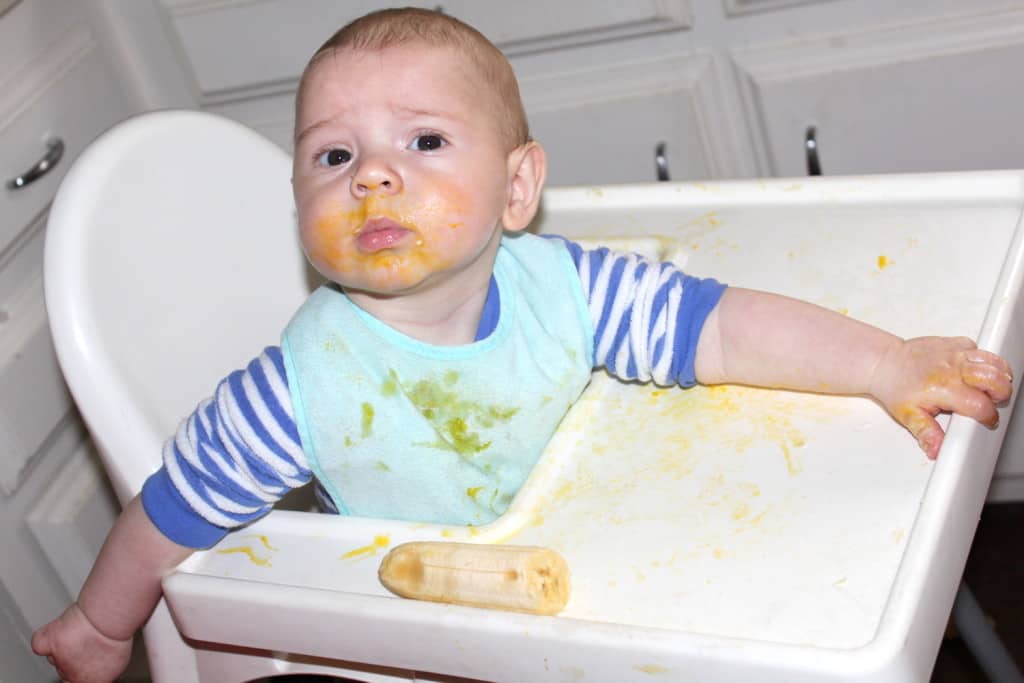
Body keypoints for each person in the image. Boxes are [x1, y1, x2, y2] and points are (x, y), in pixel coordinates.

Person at [32, 7, 1013, 683]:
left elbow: (721, 324)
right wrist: (99, 622)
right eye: (334, 155)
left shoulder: (566, 289)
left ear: (515, 188)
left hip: (602, 577)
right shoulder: (297, 391)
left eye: (421, 142)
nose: (372, 175)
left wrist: (885, 363)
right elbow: (167, 509)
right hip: (438, 643)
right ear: (299, 202)